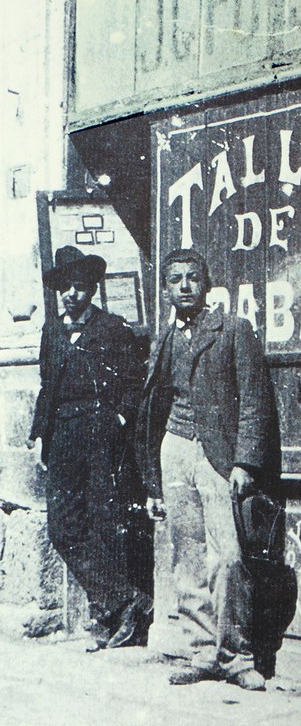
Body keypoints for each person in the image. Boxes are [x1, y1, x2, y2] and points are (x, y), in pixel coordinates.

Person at [134, 248, 281, 691]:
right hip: (175, 450)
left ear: (207, 284)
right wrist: (152, 476)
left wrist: (245, 462)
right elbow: (151, 406)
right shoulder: (164, 339)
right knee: (188, 555)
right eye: (175, 279)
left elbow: (256, 401)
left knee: (229, 556)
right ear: (165, 289)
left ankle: (235, 655)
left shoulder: (233, 330)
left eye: (192, 278)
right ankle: (200, 652)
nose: (184, 286)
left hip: (218, 456)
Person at [27, 246, 152, 651]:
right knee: (62, 525)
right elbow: (48, 387)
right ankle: (124, 599)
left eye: (79, 287)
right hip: (62, 433)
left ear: (92, 290)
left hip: (99, 432)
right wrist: (39, 436)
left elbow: (135, 383)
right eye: (65, 286)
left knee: (102, 520)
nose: (72, 294)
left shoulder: (112, 328)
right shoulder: (51, 330)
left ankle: (106, 616)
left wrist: (118, 419)